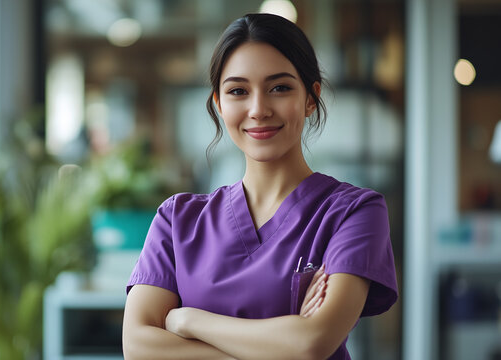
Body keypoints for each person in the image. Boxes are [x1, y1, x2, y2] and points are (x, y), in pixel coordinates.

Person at [122, 13, 398, 360]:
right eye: (238, 91)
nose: (258, 109)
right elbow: (137, 346)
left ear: (311, 98)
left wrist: (188, 321)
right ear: (219, 104)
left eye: (279, 88)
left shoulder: (354, 213)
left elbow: (311, 344)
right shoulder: (177, 219)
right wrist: (279, 344)